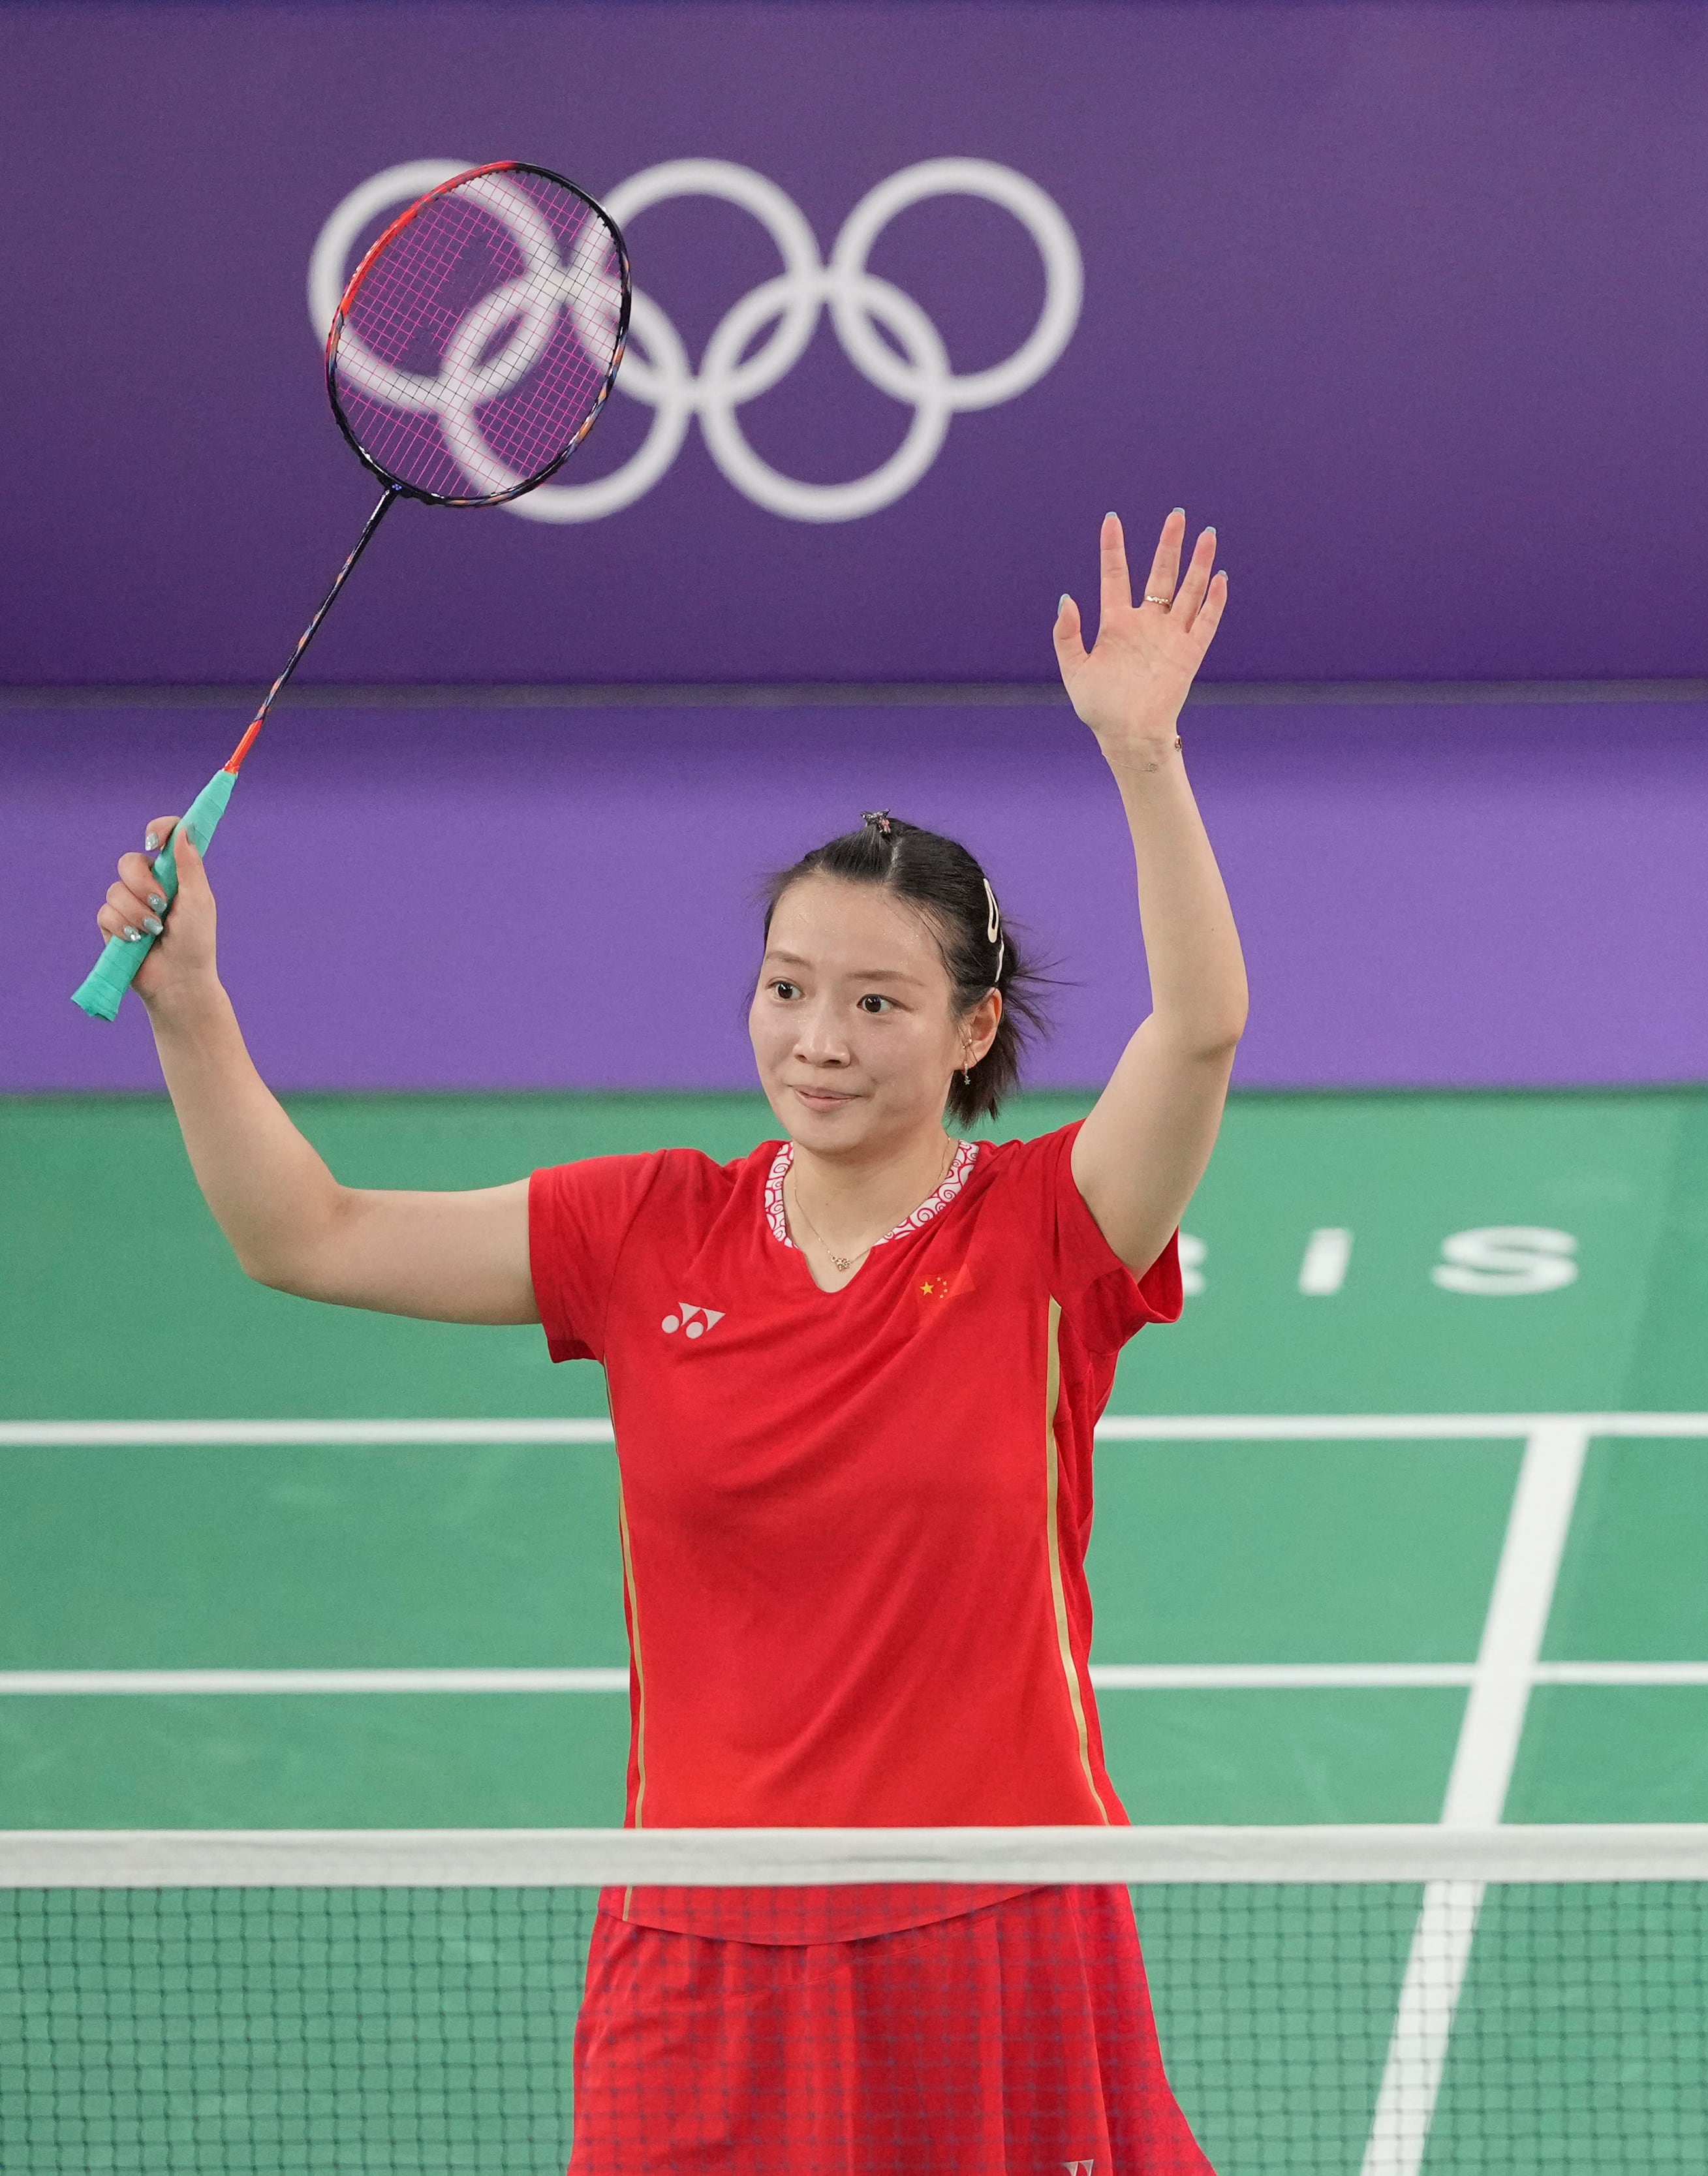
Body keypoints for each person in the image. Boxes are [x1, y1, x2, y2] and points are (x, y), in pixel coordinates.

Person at [90, 510, 1243, 2174]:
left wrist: (1144, 754)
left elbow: (1199, 1028)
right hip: (702, 1937)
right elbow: (308, 1233)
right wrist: (191, 1000)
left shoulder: (1051, 1235)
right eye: (787, 988)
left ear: (974, 1025)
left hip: (989, 1912)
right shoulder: (644, 1230)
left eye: (876, 1000)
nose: (818, 1040)